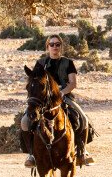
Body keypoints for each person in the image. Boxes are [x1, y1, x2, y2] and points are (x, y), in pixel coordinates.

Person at [21, 35, 94, 168]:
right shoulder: (41, 63)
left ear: (61, 46)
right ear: (47, 46)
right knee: (25, 122)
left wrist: (62, 92)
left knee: (83, 119)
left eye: (58, 44)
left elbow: (72, 83)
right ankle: (31, 154)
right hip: (44, 100)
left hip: (64, 96)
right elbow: (36, 80)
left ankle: (82, 152)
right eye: (52, 44)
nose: (55, 47)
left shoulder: (68, 63)